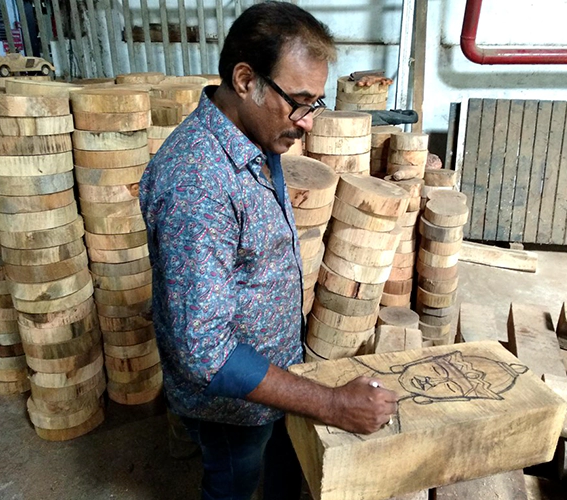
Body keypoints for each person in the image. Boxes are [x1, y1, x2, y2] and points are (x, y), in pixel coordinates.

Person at [139, 3, 398, 499]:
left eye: (314, 103)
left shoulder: (257, 135)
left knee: (284, 469)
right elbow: (207, 355)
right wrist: (329, 403)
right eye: (298, 101)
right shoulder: (197, 182)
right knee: (234, 481)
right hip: (231, 405)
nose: (305, 122)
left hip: (280, 372)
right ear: (244, 79)